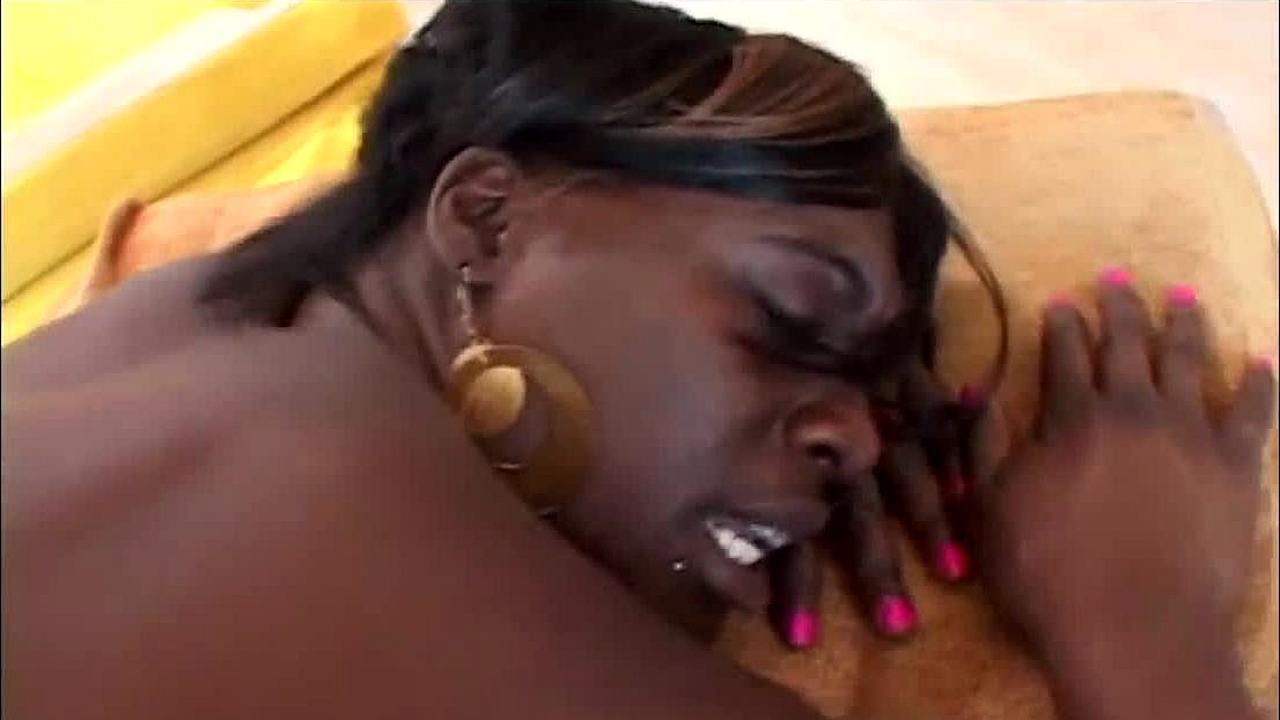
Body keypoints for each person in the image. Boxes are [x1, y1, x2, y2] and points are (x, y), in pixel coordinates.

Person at [2, 1, 1273, 718]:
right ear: (484, 217)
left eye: (875, 401)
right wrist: (1145, 620)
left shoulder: (162, 328)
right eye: (792, 314)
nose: (853, 441)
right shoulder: (357, 529)